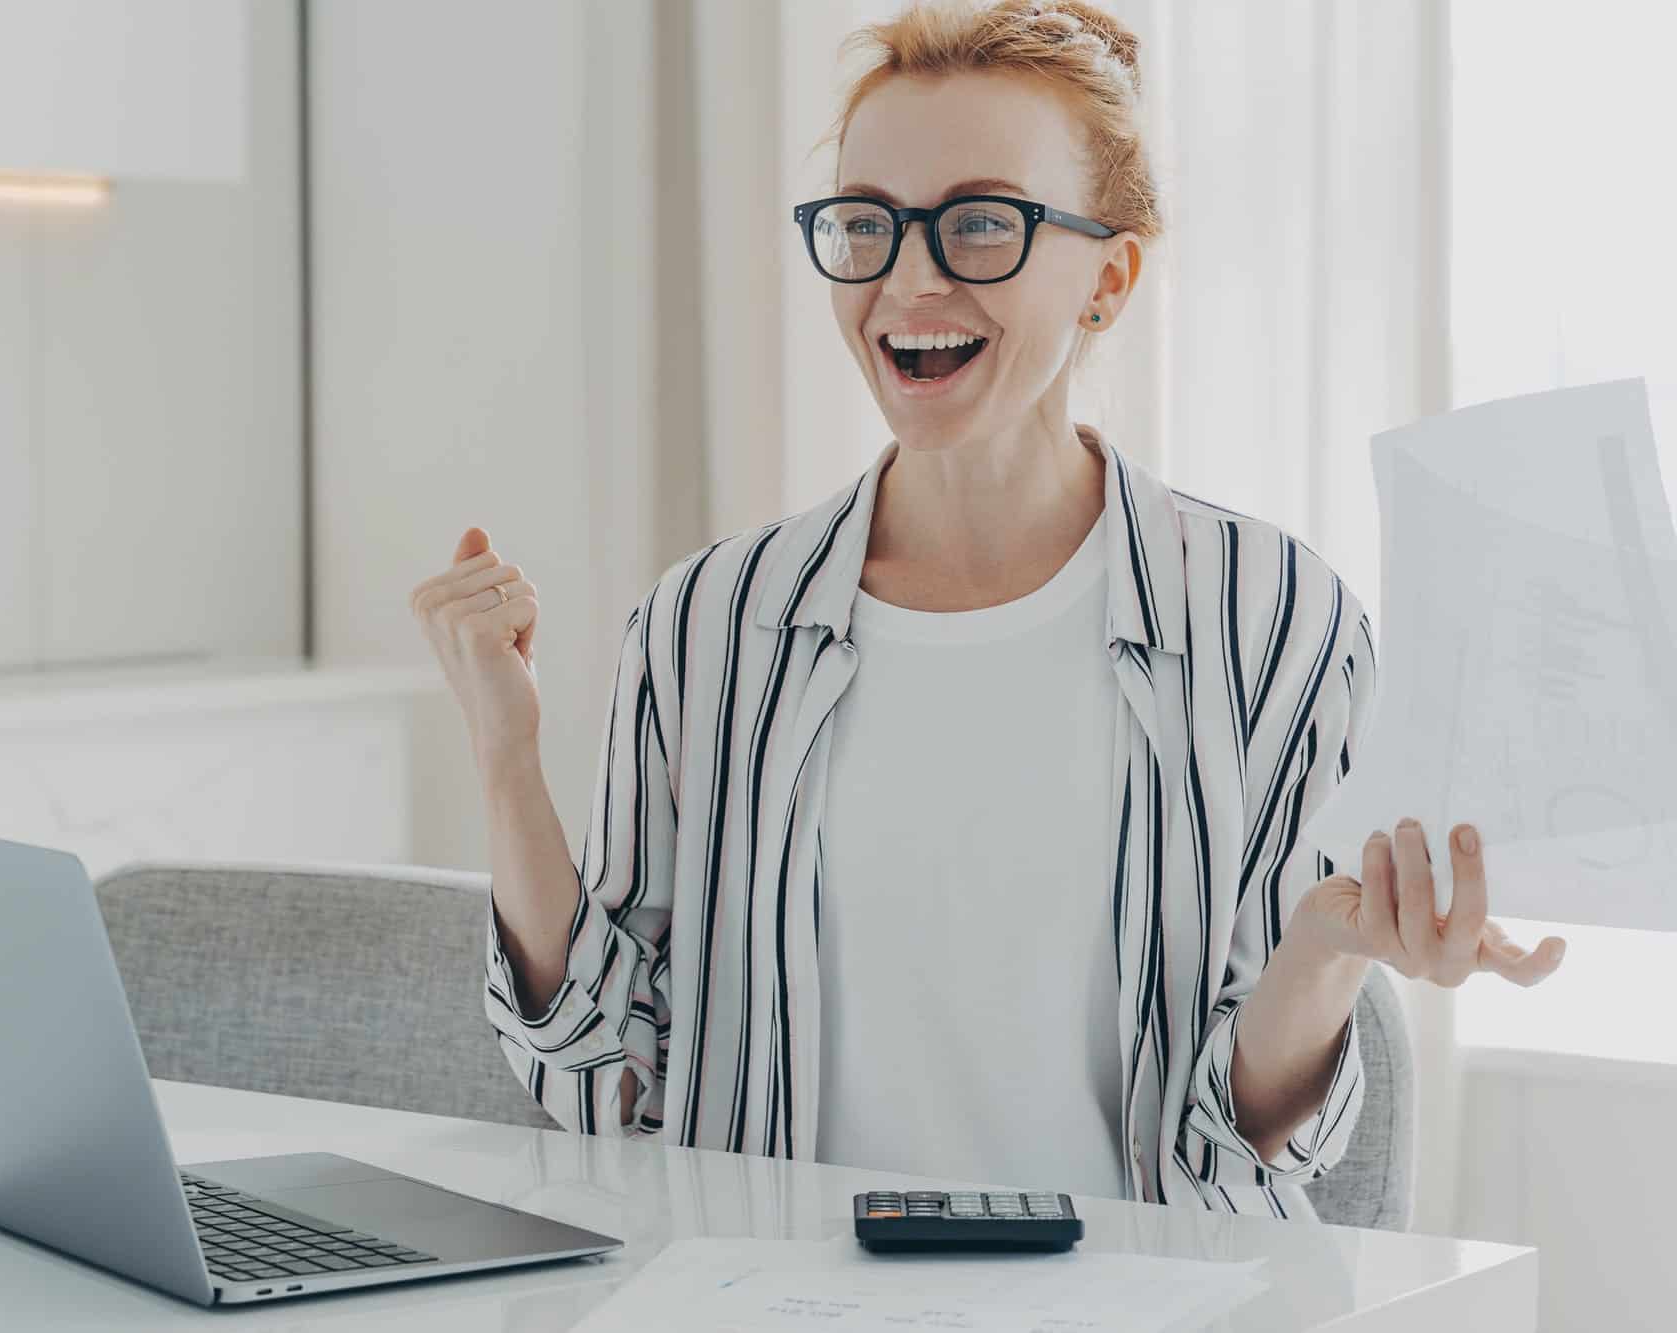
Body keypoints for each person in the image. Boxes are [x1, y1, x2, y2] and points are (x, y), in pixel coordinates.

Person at [409, 0, 1564, 1219]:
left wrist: (1323, 957)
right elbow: (603, 1078)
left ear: (1107, 280)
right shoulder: (705, 622)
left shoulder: (1274, 621)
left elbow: (1250, 1140)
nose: (907, 280)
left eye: (979, 224)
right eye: (866, 224)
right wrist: (505, 754)